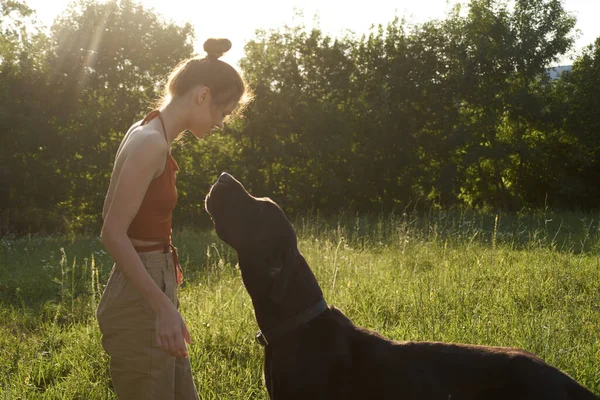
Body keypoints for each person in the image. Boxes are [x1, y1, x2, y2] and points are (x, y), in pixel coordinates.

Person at [96, 38, 249, 399]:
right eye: (222, 113)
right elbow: (111, 232)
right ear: (202, 95)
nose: (221, 124)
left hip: (151, 283)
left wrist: (164, 265)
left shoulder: (148, 130)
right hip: (141, 299)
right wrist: (162, 305)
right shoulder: (151, 142)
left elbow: (112, 214)